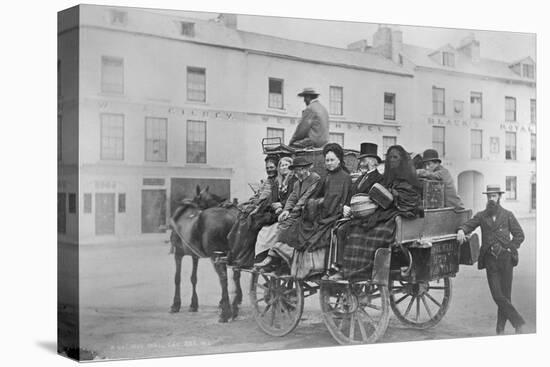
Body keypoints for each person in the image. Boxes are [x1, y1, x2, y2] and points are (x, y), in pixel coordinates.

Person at [332, 145, 422, 280]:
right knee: (360, 228)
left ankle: (362, 269)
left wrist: (393, 195)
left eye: (395, 157)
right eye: (390, 157)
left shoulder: (408, 178)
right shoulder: (388, 177)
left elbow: (410, 200)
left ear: (402, 160)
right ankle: (353, 268)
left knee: (375, 231)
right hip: (387, 212)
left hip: (402, 213)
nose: (392, 160)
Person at [456, 184, 526, 335]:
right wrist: (462, 230)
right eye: (489, 196)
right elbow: (470, 224)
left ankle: (499, 330)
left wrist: (510, 247)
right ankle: (518, 321)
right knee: (497, 295)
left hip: (506, 259)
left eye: (494, 196)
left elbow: (520, 235)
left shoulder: (508, 215)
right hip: (490, 260)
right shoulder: (482, 215)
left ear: (499, 197)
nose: (491, 199)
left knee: (505, 295)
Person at [254, 157, 321, 270]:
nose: (299, 172)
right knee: (281, 224)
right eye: (297, 170)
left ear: (307, 168)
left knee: (288, 227)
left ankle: (277, 258)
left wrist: (292, 213)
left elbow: (304, 198)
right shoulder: (297, 183)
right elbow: (292, 198)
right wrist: (285, 210)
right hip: (299, 212)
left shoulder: (314, 179)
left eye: (302, 169)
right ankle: (275, 257)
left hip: (311, 213)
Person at [254, 157, 297, 261]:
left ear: (291, 167)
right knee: (264, 230)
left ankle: (275, 257)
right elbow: (273, 199)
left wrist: (281, 205)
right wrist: (275, 206)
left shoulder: (294, 181)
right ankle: (261, 255)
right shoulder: (277, 182)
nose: (284, 167)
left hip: (289, 210)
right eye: (282, 165)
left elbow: (294, 198)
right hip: (277, 211)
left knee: (276, 229)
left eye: (286, 165)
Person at [343, 142, 384, 218]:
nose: (360, 164)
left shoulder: (379, 179)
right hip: (353, 215)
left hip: (367, 218)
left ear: (371, 162)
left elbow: (375, 203)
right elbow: (352, 193)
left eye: (362, 161)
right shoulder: (361, 177)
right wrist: (346, 206)